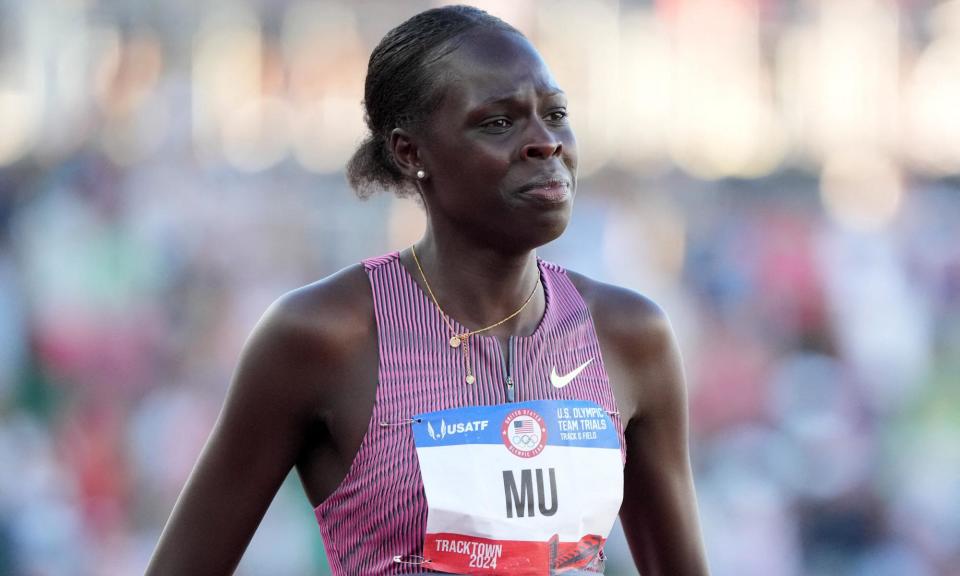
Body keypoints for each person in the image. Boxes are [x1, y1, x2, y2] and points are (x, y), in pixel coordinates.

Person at [146, 5, 710, 575]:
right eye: (498, 122)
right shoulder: (323, 337)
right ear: (410, 152)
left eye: (555, 114)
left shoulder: (629, 335)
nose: (546, 144)